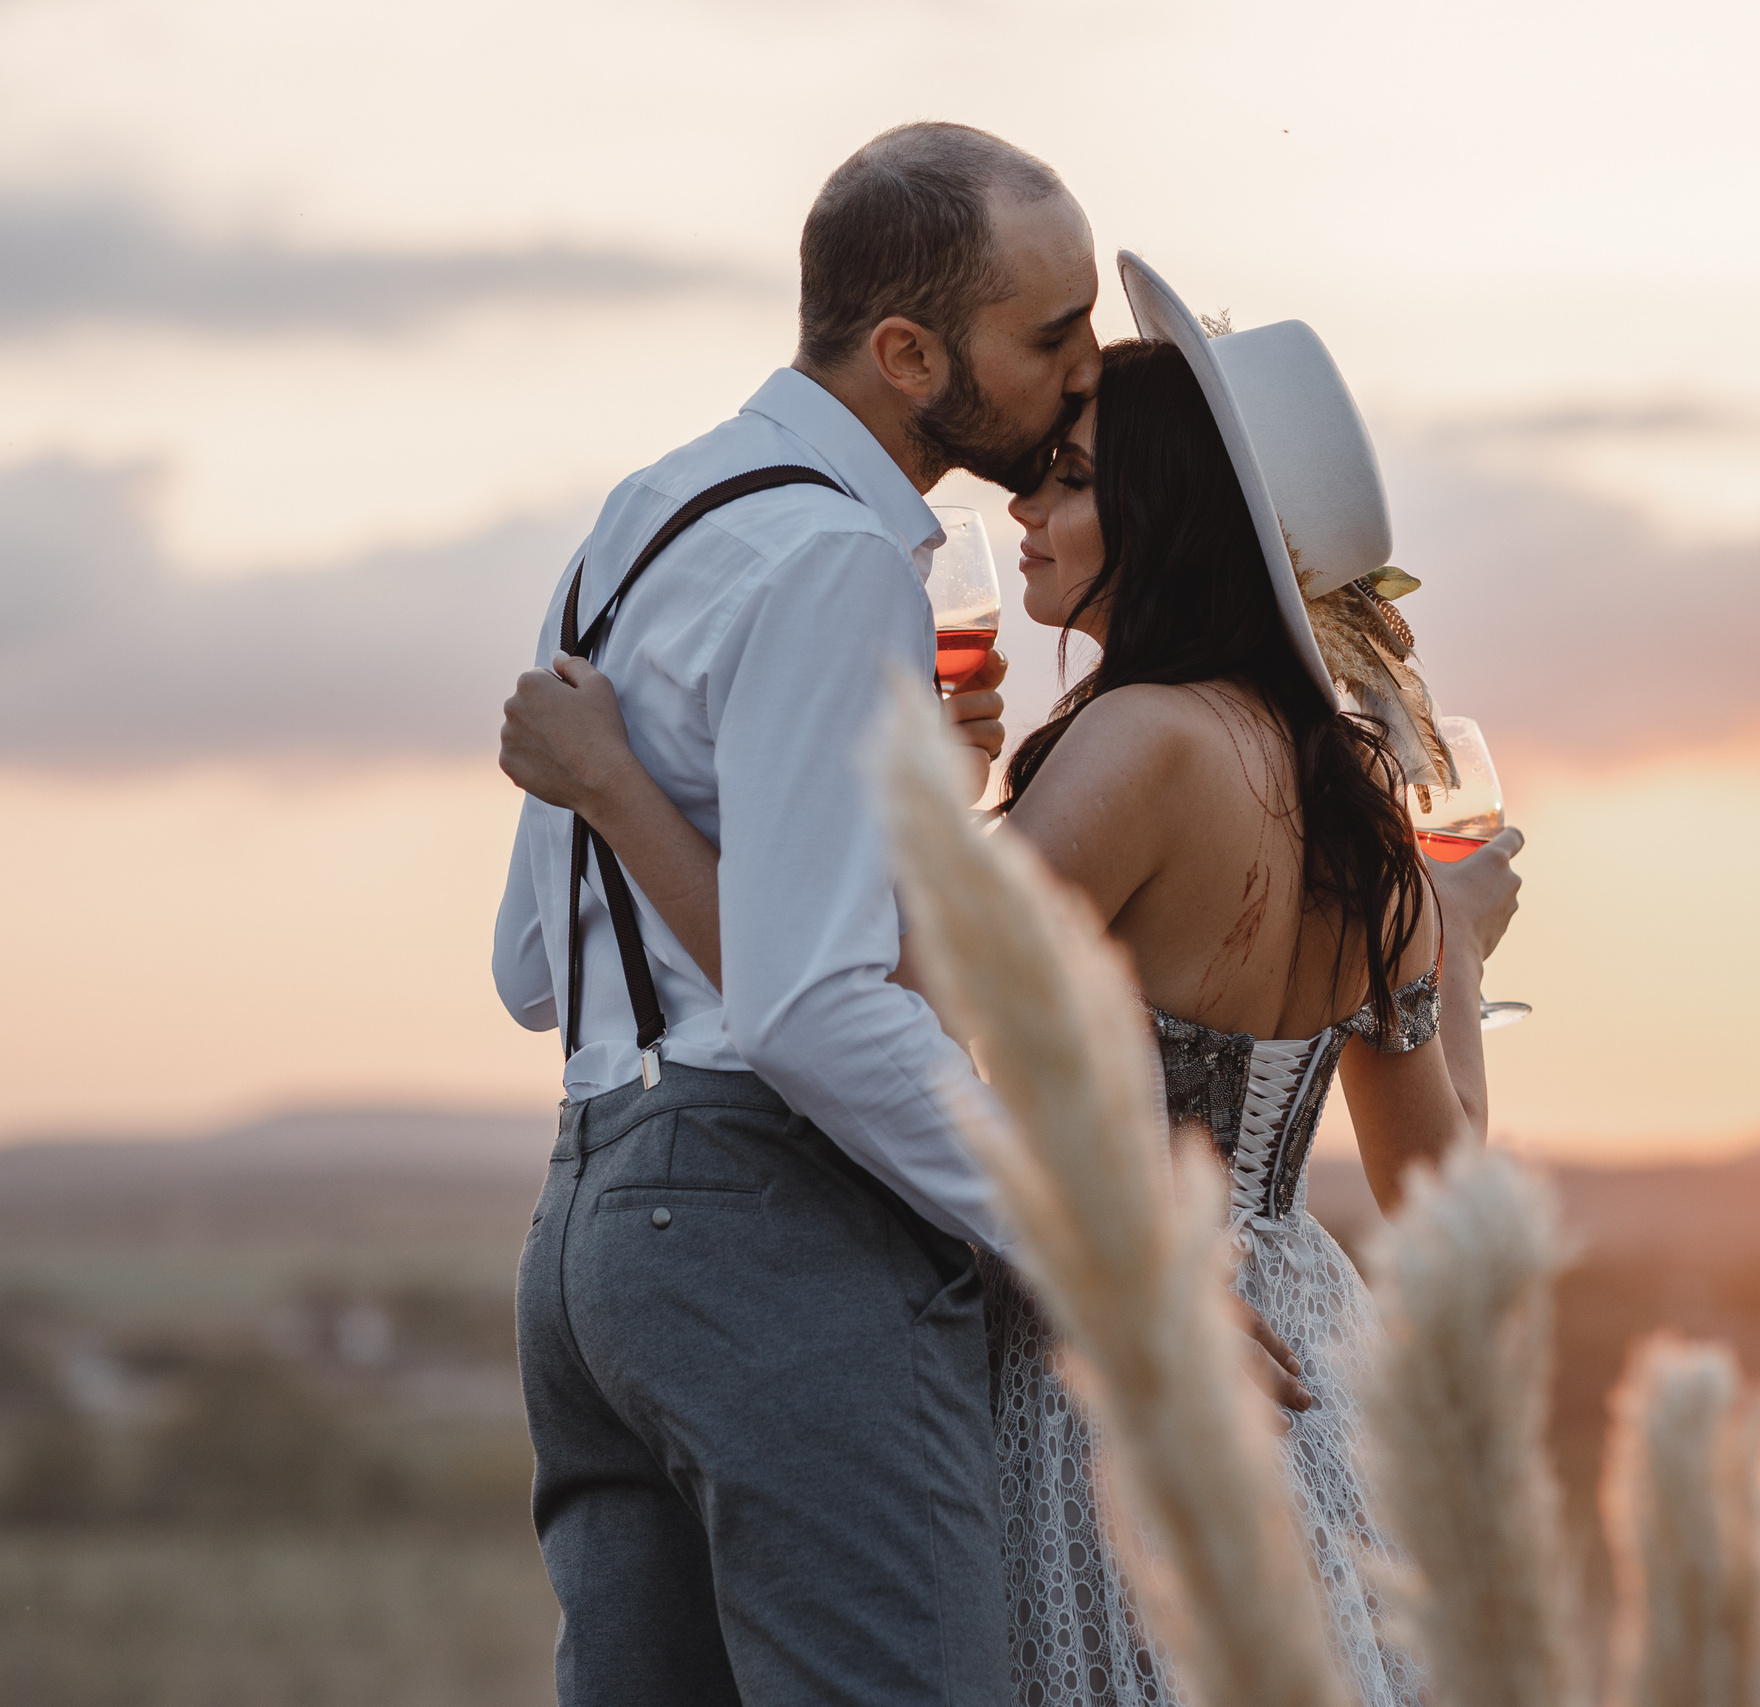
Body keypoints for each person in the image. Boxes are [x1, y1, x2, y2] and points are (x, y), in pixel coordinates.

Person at [498, 251, 1526, 1707]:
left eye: (1072, 482)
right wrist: (1459, 948)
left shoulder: (1141, 745)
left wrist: (617, 792)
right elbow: (1437, 1185)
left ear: (1178, 523)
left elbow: (848, 994)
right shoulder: (1355, 806)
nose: (1021, 508)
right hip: (1299, 1341)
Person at [490, 122, 1101, 1707]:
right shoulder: (840, 563)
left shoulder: (639, 519)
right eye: (1049, 334)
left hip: (589, 1235)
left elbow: (531, 969)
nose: (1083, 368)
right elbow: (813, 1007)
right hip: (779, 1239)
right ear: (909, 353)